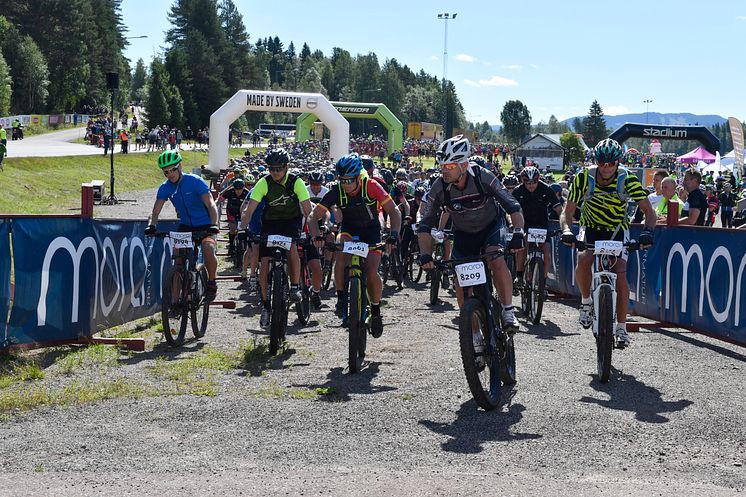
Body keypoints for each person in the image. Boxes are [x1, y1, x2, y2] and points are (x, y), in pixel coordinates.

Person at [417, 135, 525, 334]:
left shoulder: (483, 176)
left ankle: (508, 310)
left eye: (449, 166)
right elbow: (425, 224)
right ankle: (472, 332)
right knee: (461, 281)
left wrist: (518, 232)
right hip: (465, 234)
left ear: (464, 165)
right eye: (442, 166)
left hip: (492, 227)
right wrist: (425, 254)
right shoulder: (439, 187)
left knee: (496, 260)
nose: (444, 171)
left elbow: (513, 206)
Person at [559, 138, 655, 349]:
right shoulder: (584, 177)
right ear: (596, 161)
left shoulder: (627, 179)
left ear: (618, 162)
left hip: (616, 229)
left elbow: (649, 211)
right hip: (590, 226)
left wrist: (647, 232)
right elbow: (568, 211)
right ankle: (585, 302)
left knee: (620, 273)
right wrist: (567, 230)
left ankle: (621, 327)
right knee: (584, 259)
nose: (605, 167)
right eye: (601, 162)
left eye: (610, 163)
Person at [307, 153, 401, 338]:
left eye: (350, 180)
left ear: (359, 177)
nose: (346, 184)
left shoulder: (372, 186)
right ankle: (341, 298)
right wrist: (316, 236)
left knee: (372, 271)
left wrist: (393, 235)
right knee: (341, 252)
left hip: (371, 231)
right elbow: (312, 216)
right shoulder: (337, 190)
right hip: (350, 229)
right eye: (343, 180)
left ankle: (375, 312)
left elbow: (394, 211)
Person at [241, 148, 313, 329]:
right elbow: (249, 210)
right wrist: (242, 229)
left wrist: (312, 232)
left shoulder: (296, 182)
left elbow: (307, 210)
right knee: (264, 262)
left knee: (292, 250)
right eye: (271, 169)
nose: (275, 172)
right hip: (271, 223)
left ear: (286, 167)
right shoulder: (263, 183)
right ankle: (265, 304)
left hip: (291, 222)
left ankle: (295, 287)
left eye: (278, 169)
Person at [145, 150, 220, 301]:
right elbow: (155, 211)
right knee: (178, 259)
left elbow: (211, 204)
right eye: (165, 172)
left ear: (180, 166)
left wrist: (213, 225)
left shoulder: (195, 181)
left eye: (172, 169)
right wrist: (152, 226)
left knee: (207, 248)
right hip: (185, 225)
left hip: (206, 224)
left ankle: (212, 282)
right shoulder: (165, 187)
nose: (170, 174)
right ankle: (175, 301)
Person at [511, 165, 563, 291]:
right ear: (523, 181)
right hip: (525, 223)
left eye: (534, 182)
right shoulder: (518, 191)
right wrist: (513, 224)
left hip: (541, 224)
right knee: (524, 244)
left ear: (538, 180)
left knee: (547, 251)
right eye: (527, 183)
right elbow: (511, 211)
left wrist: (564, 225)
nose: (531, 185)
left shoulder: (546, 189)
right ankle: (519, 275)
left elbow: (559, 209)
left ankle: (543, 282)